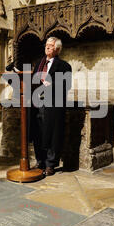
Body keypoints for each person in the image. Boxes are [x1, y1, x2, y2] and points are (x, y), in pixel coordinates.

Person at [30, 36, 72, 176]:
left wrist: (51, 85)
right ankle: (40, 161)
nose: (47, 47)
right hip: (37, 104)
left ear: (58, 49)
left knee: (53, 134)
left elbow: (67, 85)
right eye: (46, 45)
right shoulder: (39, 64)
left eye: (51, 46)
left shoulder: (64, 66)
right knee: (38, 133)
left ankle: (50, 165)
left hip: (53, 105)